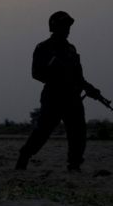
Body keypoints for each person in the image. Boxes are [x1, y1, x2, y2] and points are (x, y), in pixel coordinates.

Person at [15, 11, 102, 172]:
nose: (67, 29)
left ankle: (74, 165)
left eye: (68, 26)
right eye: (64, 26)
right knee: (42, 131)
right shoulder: (43, 47)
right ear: (55, 27)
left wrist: (91, 89)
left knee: (78, 133)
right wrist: (54, 72)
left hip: (72, 97)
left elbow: (79, 76)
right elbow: (36, 73)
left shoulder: (71, 49)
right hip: (53, 97)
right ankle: (24, 157)